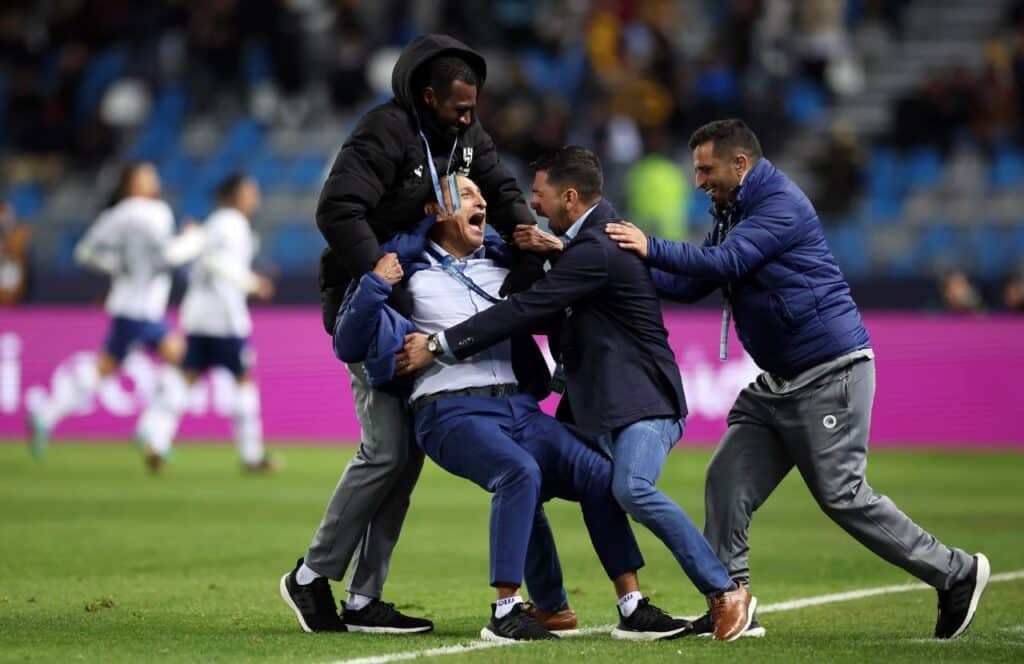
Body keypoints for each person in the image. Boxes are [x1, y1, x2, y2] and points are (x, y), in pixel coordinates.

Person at [605, 118, 989, 640]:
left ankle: (956, 573)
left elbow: (725, 262)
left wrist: (649, 246)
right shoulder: (732, 207)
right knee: (726, 481)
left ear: (740, 164)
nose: (698, 181)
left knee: (842, 495)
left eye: (706, 169)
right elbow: (695, 284)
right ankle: (731, 600)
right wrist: (622, 269)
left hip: (831, 371)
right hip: (781, 382)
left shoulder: (779, 202)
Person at [398, 147, 756, 642]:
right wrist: (551, 253)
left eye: (540, 195)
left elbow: (529, 309)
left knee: (628, 487)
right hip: (597, 404)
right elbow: (547, 304)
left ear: (569, 196)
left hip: (641, 400)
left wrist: (440, 342)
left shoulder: (596, 248)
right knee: (535, 480)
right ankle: (557, 606)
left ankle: (724, 591)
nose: (533, 205)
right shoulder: (583, 246)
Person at [323, 173, 693, 642]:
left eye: (482, 192)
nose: (482, 201)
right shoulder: (403, 271)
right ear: (435, 212)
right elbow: (349, 341)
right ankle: (505, 610)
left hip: (520, 408)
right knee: (519, 473)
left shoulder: (506, 266)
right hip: (450, 412)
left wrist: (550, 251)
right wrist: (376, 284)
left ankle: (632, 604)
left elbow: (567, 296)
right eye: (468, 194)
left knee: (602, 477)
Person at [280, 33, 561, 635]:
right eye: (460, 107)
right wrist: (378, 274)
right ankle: (310, 578)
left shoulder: (466, 137)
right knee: (385, 449)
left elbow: (504, 188)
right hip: (375, 306)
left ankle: (363, 598)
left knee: (404, 461)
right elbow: (336, 209)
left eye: (474, 106)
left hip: (426, 311)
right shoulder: (383, 132)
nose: (470, 116)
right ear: (427, 96)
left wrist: (523, 231)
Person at [27, 162, 197, 463]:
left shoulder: (116, 215)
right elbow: (170, 255)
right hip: (142, 310)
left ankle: (46, 415)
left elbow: (85, 252)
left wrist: (118, 268)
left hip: (127, 306)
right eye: (147, 175)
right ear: (132, 183)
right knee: (184, 360)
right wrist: (196, 239)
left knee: (102, 368)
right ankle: (152, 432)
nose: (154, 179)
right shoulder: (155, 212)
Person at [134, 174, 277, 473]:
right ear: (236, 196)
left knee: (185, 377)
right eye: (251, 191)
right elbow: (219, 262)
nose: (255, 198)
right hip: (224, 318)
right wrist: (252, 283)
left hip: (197, 316)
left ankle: (156, 440)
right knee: (243, 380)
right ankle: (251, 455)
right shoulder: (234, 225)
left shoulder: (212, 222)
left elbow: (192, 255)